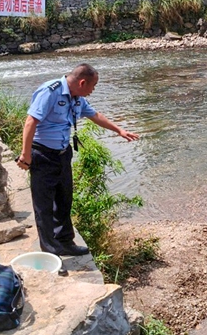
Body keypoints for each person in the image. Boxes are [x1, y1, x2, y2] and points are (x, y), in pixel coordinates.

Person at [16, 64, 139, 257]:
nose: (93, 90)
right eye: (93, 86)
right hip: (43, 155)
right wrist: (26, 154)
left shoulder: (77, 98)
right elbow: (31, 121)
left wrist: (119, 130)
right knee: (44, 205)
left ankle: (65, 242)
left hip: (63, 154)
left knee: (64, 199)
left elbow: (95, 115)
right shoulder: (51, 91)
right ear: (82, 82)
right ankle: (50, 251)